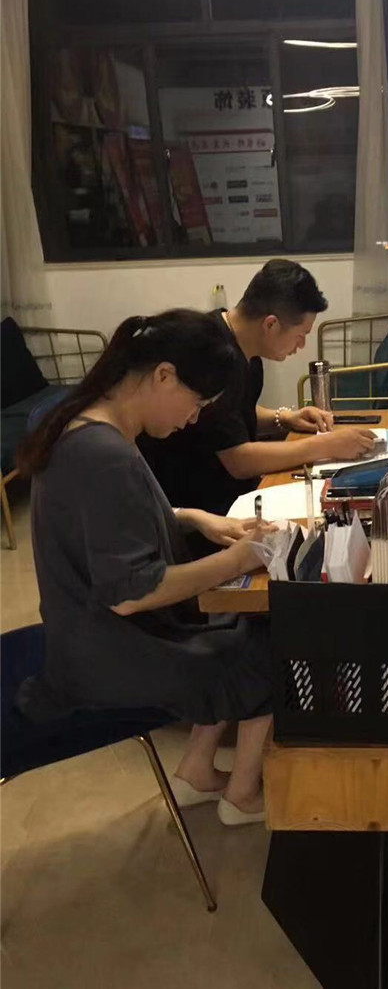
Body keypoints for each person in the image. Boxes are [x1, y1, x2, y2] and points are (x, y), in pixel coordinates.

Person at [17, 310, 276, 825]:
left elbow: (107, 523)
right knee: (270, 650)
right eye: (196, 402)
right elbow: (131, 593)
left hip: (86, 633)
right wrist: (235, 559)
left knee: (248, 623)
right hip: (105, 653)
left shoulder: (88, 421)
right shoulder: (102, 452)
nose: (193, 419)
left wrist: (192, 518)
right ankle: (242, 795)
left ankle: (198, 771)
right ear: (163, 375)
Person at [139, 259, 377, 516]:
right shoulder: (212, 355)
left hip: (229, 493)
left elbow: (231, 416)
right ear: (271, 325)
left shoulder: (242, 346)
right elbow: (238, 460)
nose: (301, 346)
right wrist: (327, 445)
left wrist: (284, 418)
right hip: (200, 508)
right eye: (301, 335)